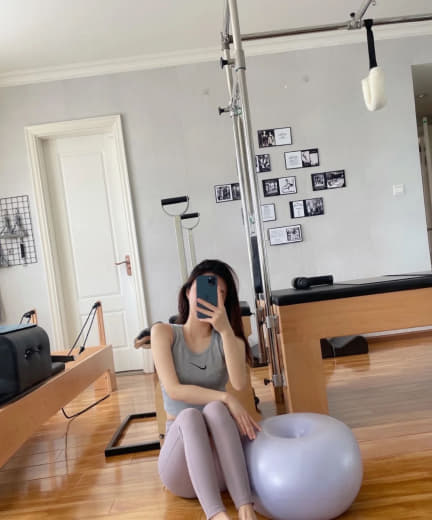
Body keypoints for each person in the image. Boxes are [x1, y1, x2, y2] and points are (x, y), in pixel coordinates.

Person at [151, 259, 261, 520]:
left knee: (215, 410)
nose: (211, 296)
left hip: (223, 468)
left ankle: (245, 506)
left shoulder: (229, 340)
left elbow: (239, 383)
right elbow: (174, 390)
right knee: (191, 415)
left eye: (220, 293)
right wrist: (225, 398)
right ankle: (216, 515)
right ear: (188, 291)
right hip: (181, 470)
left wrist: (225, 330)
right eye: (204, 287)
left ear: (225, 302)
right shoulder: (164, 333)